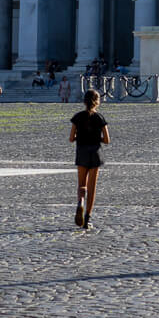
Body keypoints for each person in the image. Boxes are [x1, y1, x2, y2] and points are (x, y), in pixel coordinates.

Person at [69, 89, 110, 229]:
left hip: (81, 152)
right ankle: (87, 218)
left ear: (84, 101)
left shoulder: (77, 117)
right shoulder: (100, 118)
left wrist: (79, 137)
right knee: (92, 188)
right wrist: (96, 137)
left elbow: (70, 138)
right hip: (95, 153)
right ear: (97, 102)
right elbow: (107, 140)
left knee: (81, 185)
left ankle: (80, 202)